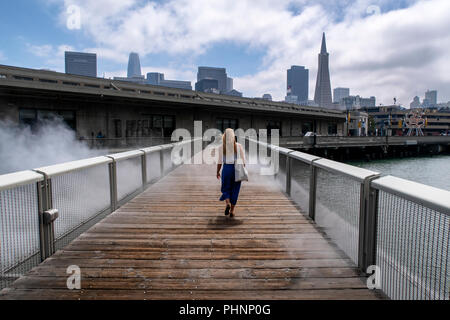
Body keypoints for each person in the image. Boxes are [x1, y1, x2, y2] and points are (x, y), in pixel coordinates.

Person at [216, 128, 246, 218]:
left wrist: (217, 171)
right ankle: (232, 211)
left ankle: (227, 203)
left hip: (226, 169)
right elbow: (243, 162)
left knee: (226, 188)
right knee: (235, 190)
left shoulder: (221, 147)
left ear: (224, 136)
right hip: (236, 169)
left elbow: (219, 162)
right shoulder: (239, 146)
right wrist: (242, 170)